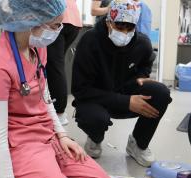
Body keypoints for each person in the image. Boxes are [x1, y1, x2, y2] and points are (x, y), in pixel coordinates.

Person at [0, 0, 117, 178]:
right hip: (20, 147)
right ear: (30, 21)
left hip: (48, 137)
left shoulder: (37, 48)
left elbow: (46, 97)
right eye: (54, 25)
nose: (58, 31)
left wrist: (62, 135)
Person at [72, 0, 172, 167]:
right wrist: (125, 102)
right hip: (96, 97)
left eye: (129, 28)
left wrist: (142, 75)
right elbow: (81, 90)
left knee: (161, 93)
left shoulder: (142, 42)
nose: (124, 33)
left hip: (125, 89)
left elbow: (147, 61)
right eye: (119, 27)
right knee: (95, 119)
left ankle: (138, 144)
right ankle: (95, 138)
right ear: (108, 21)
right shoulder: (90, 41)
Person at [46, 0, 82, 126]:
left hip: (58, 19)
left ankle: (59, 112)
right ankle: (55, 108)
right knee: (55, 65)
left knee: (55, 66)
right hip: (73, 20)